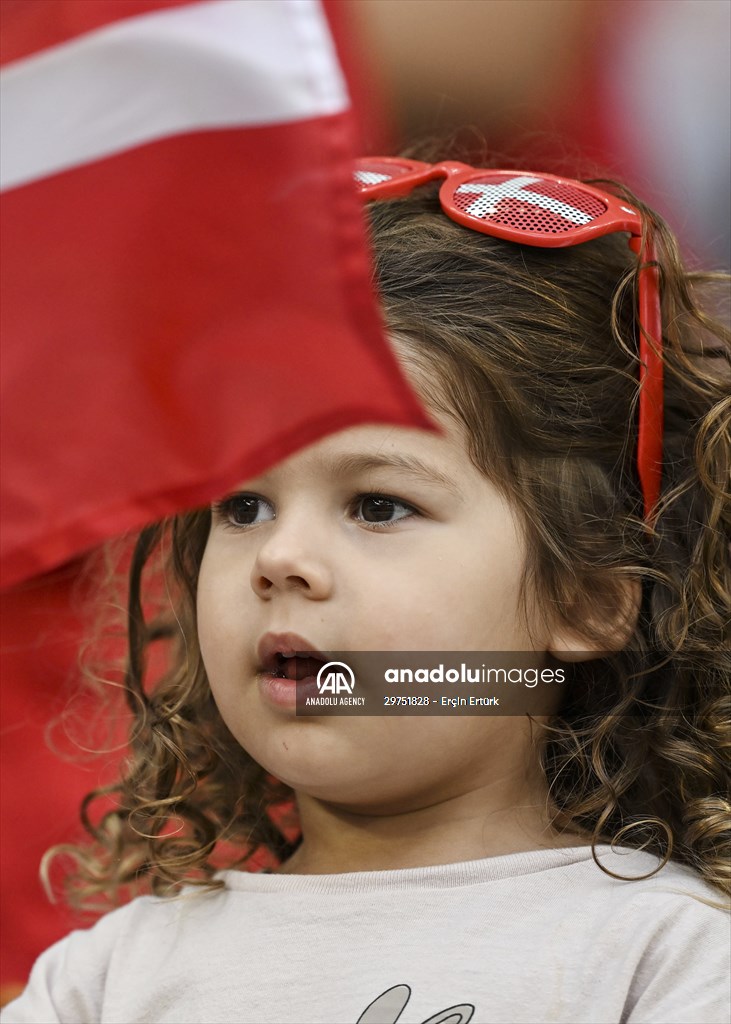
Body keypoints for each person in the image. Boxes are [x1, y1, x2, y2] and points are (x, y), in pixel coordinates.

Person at [3, 145, 730, 1024]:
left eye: (378, 505)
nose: (280, 558)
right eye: (243, 506)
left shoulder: (665, 962)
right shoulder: (104, 983)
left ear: (584, 595)